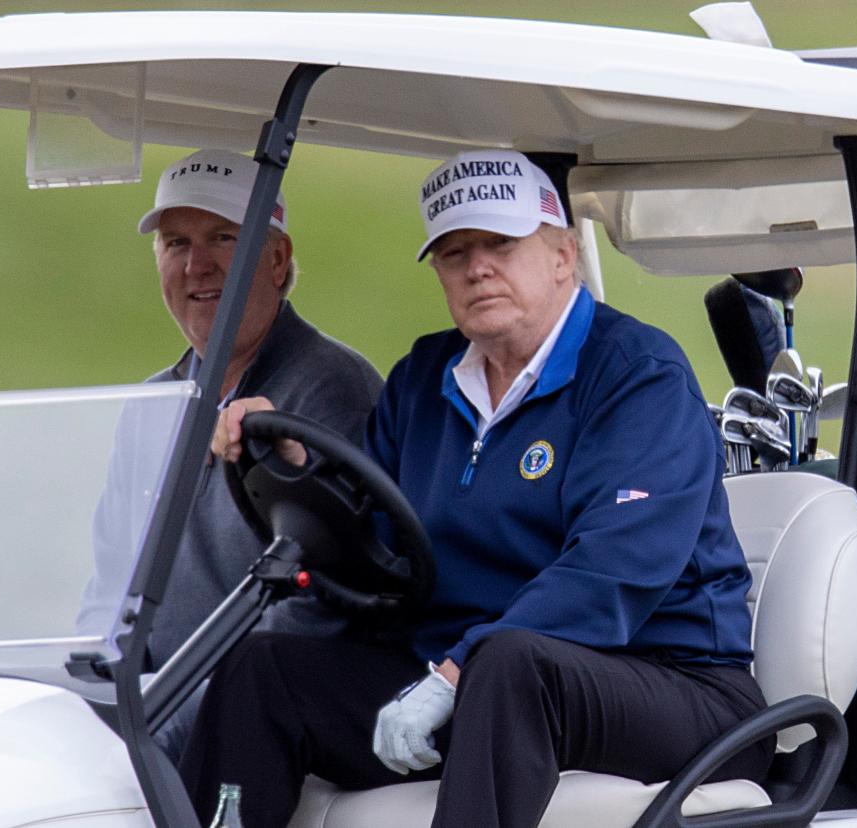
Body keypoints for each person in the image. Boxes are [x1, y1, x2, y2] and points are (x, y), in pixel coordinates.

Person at [181, 149, 773, 826]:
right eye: (454, 252)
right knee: (264, 670)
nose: (477, 267)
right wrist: (295, 463)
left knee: (510, 662)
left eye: (500, 243)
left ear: (562, 255)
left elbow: (614, 572)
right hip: (473, 677)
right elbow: (373, 540)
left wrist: (457, 672)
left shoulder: (638, 374)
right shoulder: (424, 377)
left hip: (670, 680)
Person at [75, 149, 383, 754]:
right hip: (152, 698)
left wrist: (178, 717)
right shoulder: (152, 403)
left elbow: (322, 602)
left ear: (276, 259)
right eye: (175, 243)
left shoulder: (330, 387)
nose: (197, 266)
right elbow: (108, 587)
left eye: (223, 238)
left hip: (257, 704)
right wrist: (87, 685)